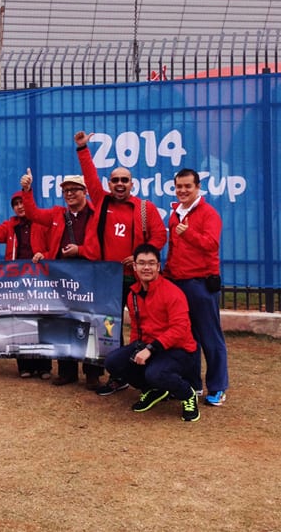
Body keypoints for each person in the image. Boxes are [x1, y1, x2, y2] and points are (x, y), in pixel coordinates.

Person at [74, 130, 167, 396]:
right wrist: (82, 149)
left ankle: (147, 374)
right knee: (108, 329)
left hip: (134, 279)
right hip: (105, 277)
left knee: (144, 327)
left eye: (124, 180)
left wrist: (139, 256)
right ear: (109, 183)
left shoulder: (143, 208)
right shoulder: (101, 200)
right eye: (115, 180)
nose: (119, 184)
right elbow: (90, 176)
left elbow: (160, 236)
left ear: (132, 184)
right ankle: (118, 375)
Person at [20, 168, 104, 390]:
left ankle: (92, 372)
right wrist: (26, 191)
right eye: (65, 190)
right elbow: (33, 214)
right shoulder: (58, 214)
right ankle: (67, 371)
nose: (69, 194)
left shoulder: (97, 215)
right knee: (62, 321)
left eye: (74, 190)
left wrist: (80, 250)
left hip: (89, 273)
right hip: (61, 276)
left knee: (90, 323)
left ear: (85, 191)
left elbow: (99, 248)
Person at [102, 244, 200, 422]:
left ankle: (187, 394)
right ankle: (153, 390)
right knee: (113, 362)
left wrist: (150, 349)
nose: (146, 267)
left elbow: (180, 329)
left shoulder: (173, 293)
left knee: (155, 373)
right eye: (141, 263)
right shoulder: (133, 294)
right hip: (148, 345)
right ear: (134, 267)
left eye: (151, 263)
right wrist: (133, 351)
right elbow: (136, 328)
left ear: (158, 267)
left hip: (179, 350)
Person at [163, 168, 229, 406]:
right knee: (187, 338)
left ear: (198, 187)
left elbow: (211, 245)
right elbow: (174, 249)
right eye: (179, 186)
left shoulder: (208, 213)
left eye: (187, 186)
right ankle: (193, 383)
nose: (182, 190)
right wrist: (167, 273)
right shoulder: (175, 213)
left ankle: (218, 387)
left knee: (210, 337)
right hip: (178, 282)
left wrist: (188, 233)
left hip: (201, 283)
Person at [0, 191, 53, 379]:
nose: (20, 206)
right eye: (16, 204)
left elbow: (53, 246)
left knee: (41, 321)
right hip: (16, 281)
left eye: (22, 202)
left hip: (40, 279)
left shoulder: (42, 222)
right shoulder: (10, 225)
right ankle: (24, 366)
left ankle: (44, 366)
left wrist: (44, 254)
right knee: (20, 322)